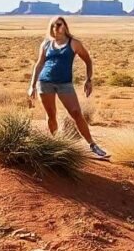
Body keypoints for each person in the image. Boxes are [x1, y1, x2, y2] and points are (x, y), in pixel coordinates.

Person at [27, 16, 108, 159]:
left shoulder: (74, 43)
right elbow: (39, 64)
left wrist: (88, 79)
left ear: (65, 26)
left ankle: (93, 145)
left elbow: (88, 60)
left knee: (76, 113)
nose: (56, 28)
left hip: (65, 84)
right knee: (51, 115)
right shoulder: (46, 44)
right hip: (45, 83)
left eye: (59, 24)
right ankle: (54, 145)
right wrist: (32, 86)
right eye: (53, 25)